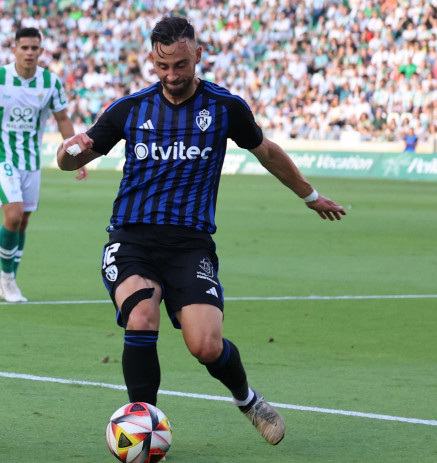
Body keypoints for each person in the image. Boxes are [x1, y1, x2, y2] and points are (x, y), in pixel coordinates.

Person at [57, 16, 346, 446]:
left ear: (198, 55)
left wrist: (310, 195)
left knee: (206, 346)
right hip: (131, 239)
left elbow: (265, 151)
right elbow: (75, 157)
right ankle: (143, 426)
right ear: (152, 61)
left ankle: (248, 400)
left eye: (180, 65)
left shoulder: (225, 107)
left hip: (190, 245)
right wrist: (67, 153)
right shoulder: (130, 109)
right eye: (162, 67)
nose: (171, 76)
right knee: (141, 314)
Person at [0, 27, 87, 303]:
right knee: (13, 216)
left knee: (23, 222)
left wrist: (76, 155)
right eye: (24, 47)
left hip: (31, 158)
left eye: (34, 48)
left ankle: (9, 281)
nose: (29, 53)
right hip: (1, 156)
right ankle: (7, 280)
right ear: (14, 49)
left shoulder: (50, 82)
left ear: (41, 51)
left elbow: (62, 118)